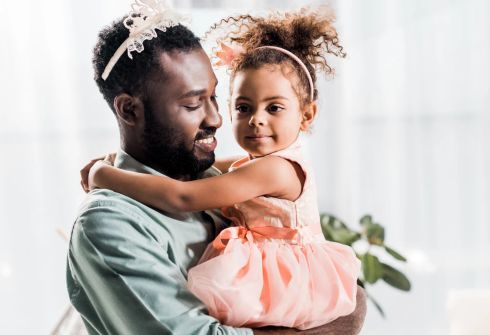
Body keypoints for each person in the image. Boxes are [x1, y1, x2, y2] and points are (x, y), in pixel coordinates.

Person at [67, 2, 366, 334]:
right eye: (194, 103)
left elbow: (350, 301)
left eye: (213, 98)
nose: (216, 119)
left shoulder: (212, 176)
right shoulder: (109, 223)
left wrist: (103, 171)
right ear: (129, 110)